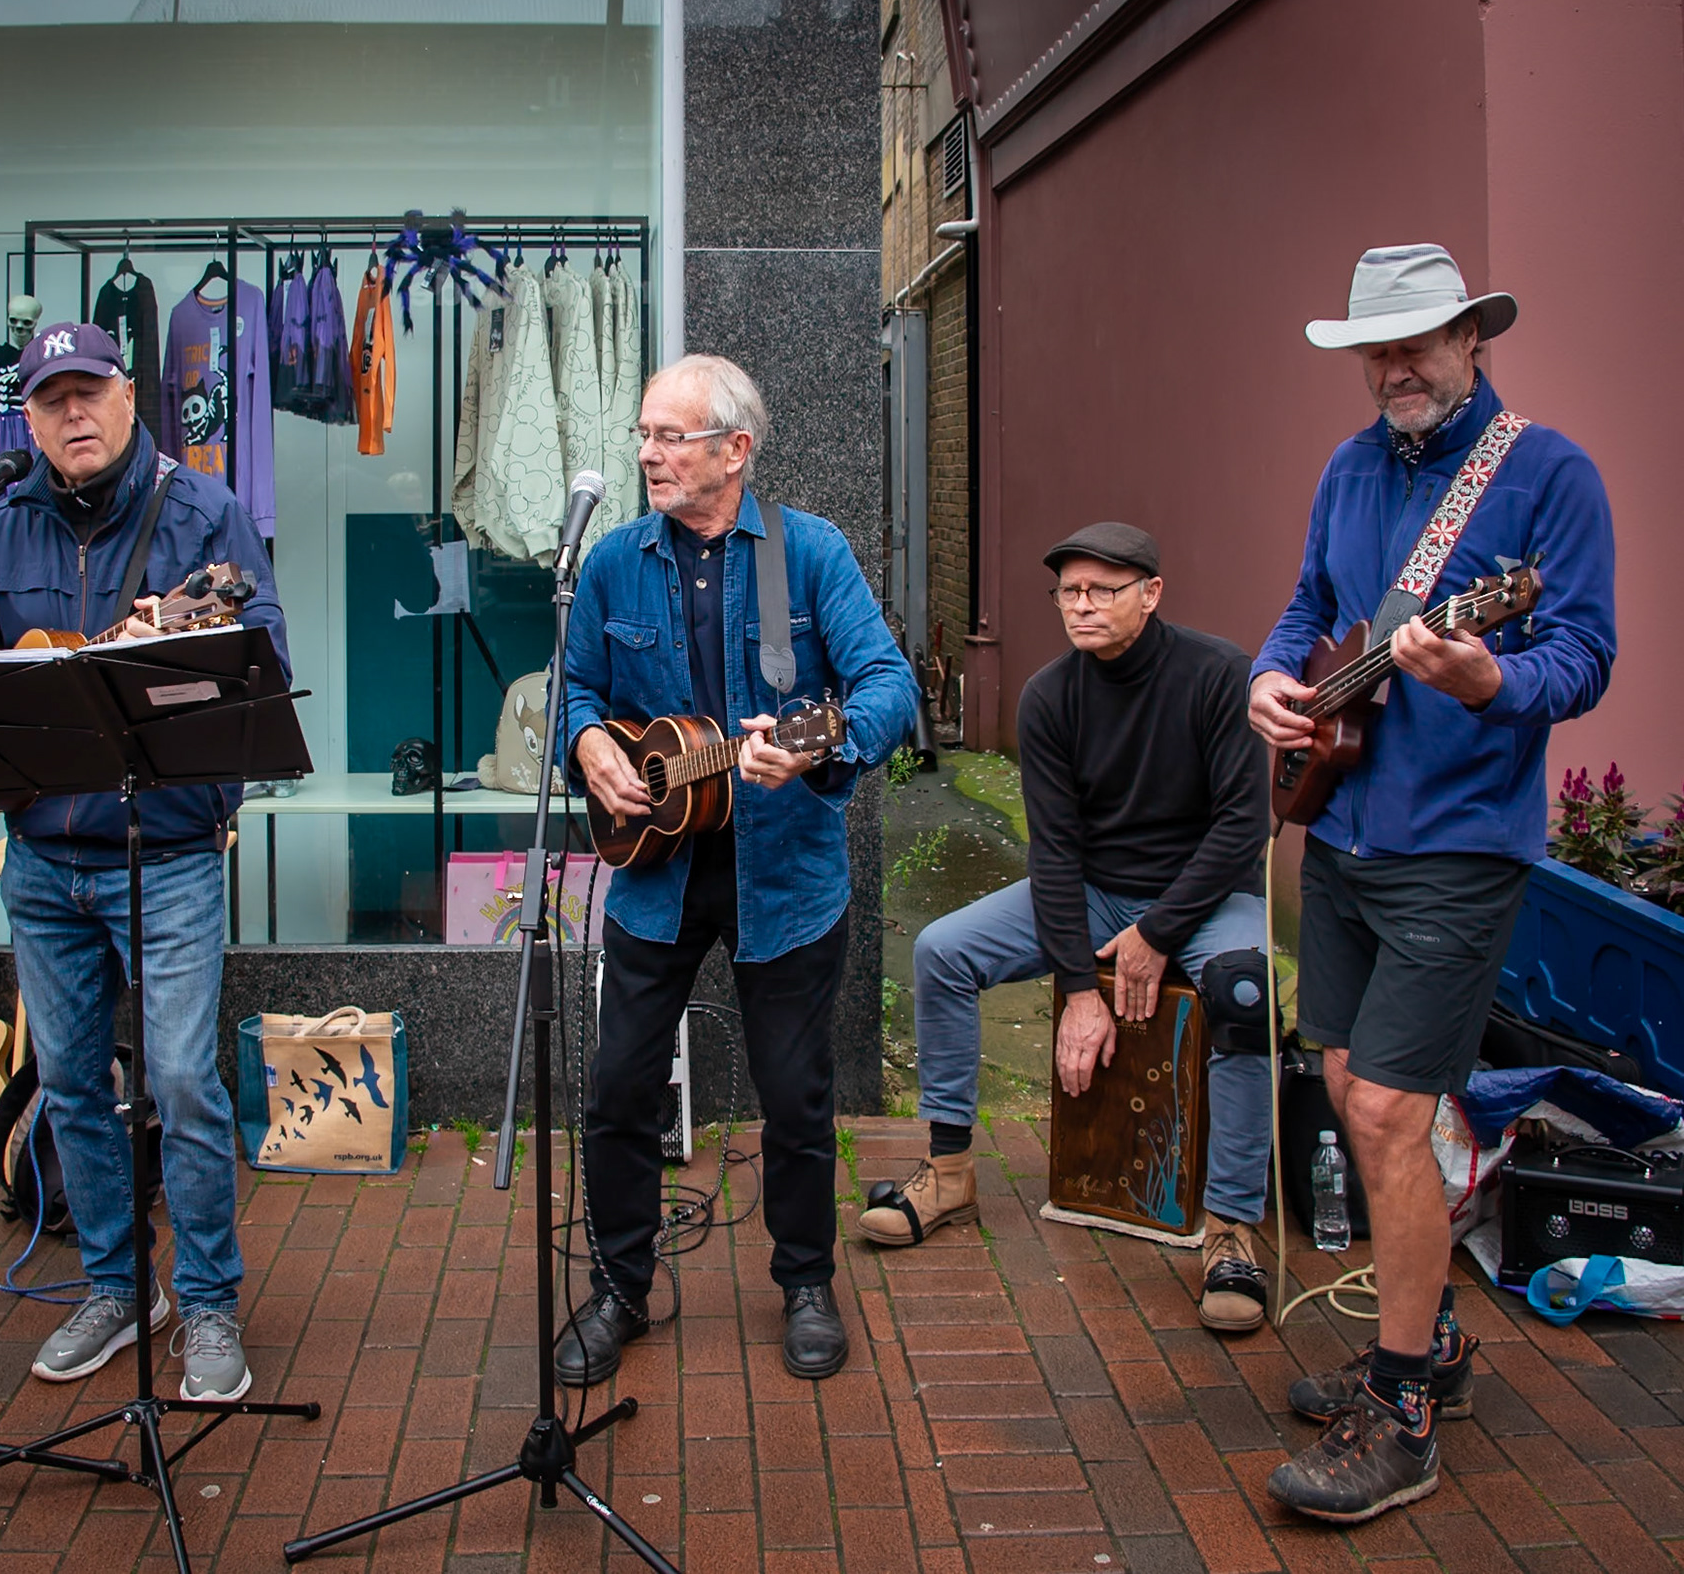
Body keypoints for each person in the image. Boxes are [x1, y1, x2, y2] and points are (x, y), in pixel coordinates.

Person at [1250, 244, 1615, 1523]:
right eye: (1378, 346)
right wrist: (1270, 678)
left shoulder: (1547, 472)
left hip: (1459, 846)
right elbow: (1306, 611)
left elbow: (1580, 654)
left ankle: (1402, 1407)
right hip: (1340, 829)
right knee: (1351, 1087)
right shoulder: (1349, 468)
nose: (1395, 366)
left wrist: (1488, 679)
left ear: (1472, 338)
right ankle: (1437, 1335)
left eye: (1419, 340)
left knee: (1397, 1115)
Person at [0, 322, 289, 1403]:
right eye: (51, 399)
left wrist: (160, 659)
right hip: (39, 851)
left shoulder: (204, 515)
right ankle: (122, 1285)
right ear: (25, 417)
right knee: (73, 1081)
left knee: (179, 1078)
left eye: (90, 392)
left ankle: (208, 1298)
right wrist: (3, 684)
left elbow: (262, 667)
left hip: (163, 850)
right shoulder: (4, 520)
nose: (73, 414)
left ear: (132, 398)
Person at [560, 353, 919, 1385]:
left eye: (670, 436)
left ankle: (805, 1280)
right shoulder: (617, 561)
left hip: (785, 872)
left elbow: (886, 684)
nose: (648, 454)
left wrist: (820, 740)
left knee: (798, 1096)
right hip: (653, 871)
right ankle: (619, 1286)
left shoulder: (806, 553)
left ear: (735, 449)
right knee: (619, 1085)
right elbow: (577, 685)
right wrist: (588, 745)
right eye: (643, 434)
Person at [860, 522, 1278, 1333]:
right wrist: (1080, 990)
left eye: (1101, 590)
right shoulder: (1050, 695)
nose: (1080, 607)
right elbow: (1054, 851)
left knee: (1245, 987)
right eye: (1067, 593)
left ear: (1151, 594)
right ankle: (948, 1168)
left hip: (1203, 897)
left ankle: (1231, 1224)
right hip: (1093, 891)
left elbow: (1240, 825)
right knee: (942, 950)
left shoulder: (1219, 673)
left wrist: (1157, 934)